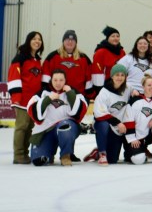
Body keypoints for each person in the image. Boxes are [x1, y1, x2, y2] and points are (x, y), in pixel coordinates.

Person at [26, 68, 87, 166]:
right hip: (46, 130)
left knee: (64, 126)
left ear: (65, 80)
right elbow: (31, 108)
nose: (58, 83)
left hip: (66, 127)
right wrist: (48, 99)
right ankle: (49, 154)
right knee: (38, 160)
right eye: (55, 80)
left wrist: (70, 93)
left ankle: (65, 155)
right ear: (51, 80)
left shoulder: (72, 91)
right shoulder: (44, 92)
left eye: (61, 80)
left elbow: (80, 111)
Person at [8, 31, 45, 164]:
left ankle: (25, 153)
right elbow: (13, 78)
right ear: (28, 41)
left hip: (34, 101)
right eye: (34, 39)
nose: (37, 41)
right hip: (22, 100)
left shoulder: (37, 60)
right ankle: (18, 155)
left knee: (29, 128)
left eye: (39, 39)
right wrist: (16, 99)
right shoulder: (20, 58)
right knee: (21, 127)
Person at [92, 64, 133, 165]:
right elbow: (100, 114)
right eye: (117, 75)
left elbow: (136, 96)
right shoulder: (104, 92)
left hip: (118, 128)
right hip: (105, 124)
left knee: (112, 160)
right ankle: (102, 153)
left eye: (122, 75)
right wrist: (118, 123)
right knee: (103, 124)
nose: (119, 78)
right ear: (112, 76)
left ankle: (96, 153)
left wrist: (136, 94)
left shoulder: (128, 89)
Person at [122, 75, 152, 164]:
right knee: (138, 160)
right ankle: (137, 151)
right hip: (136, 138)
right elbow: (128, 120)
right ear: (143, 87)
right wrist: (132, 138)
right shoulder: (134, 101)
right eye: (149, 85)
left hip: (149, 136)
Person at [42, 30, 93, 98]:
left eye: (73, 40)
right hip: (58, 96)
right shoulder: (52, 57)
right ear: (63, 41)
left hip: (77, 96)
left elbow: (89, 79)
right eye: (67, 39)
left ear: (76, 42)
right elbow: (46, 77)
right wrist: (47, 94)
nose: (70, 42)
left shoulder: (84, 58)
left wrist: (89, 96)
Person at [91, 26, 124, 93]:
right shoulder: (101, 52)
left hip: (120, 84)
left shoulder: (122, 52)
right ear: (108, 38)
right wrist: (99, 89)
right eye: (113, 36)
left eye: (117, 36)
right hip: (106, 85)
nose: (115, 38)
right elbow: (97, 71)